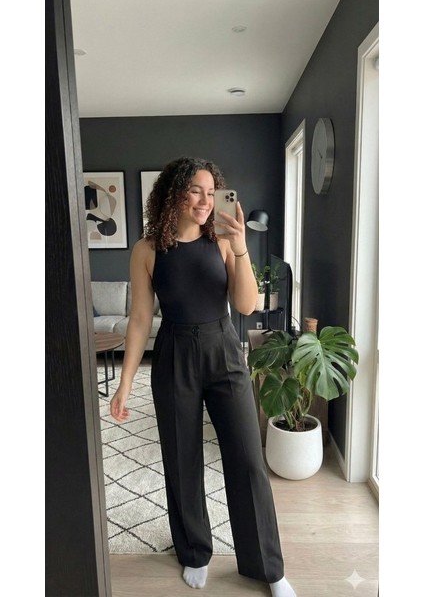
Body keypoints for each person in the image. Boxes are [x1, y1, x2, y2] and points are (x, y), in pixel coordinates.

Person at [110, 156, 296, 597]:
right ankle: (194, 551)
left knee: (247, 459)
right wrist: (125, 382)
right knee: (182, 458)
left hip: (223, 350)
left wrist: (241, 246)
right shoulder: (147, 250)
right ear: (174, 193)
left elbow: (247, 305)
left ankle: (267, 567)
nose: (205, 200)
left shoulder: (223, 242)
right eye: (196, 190)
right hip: (174, 353)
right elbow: (140, 319)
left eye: (211, 192)